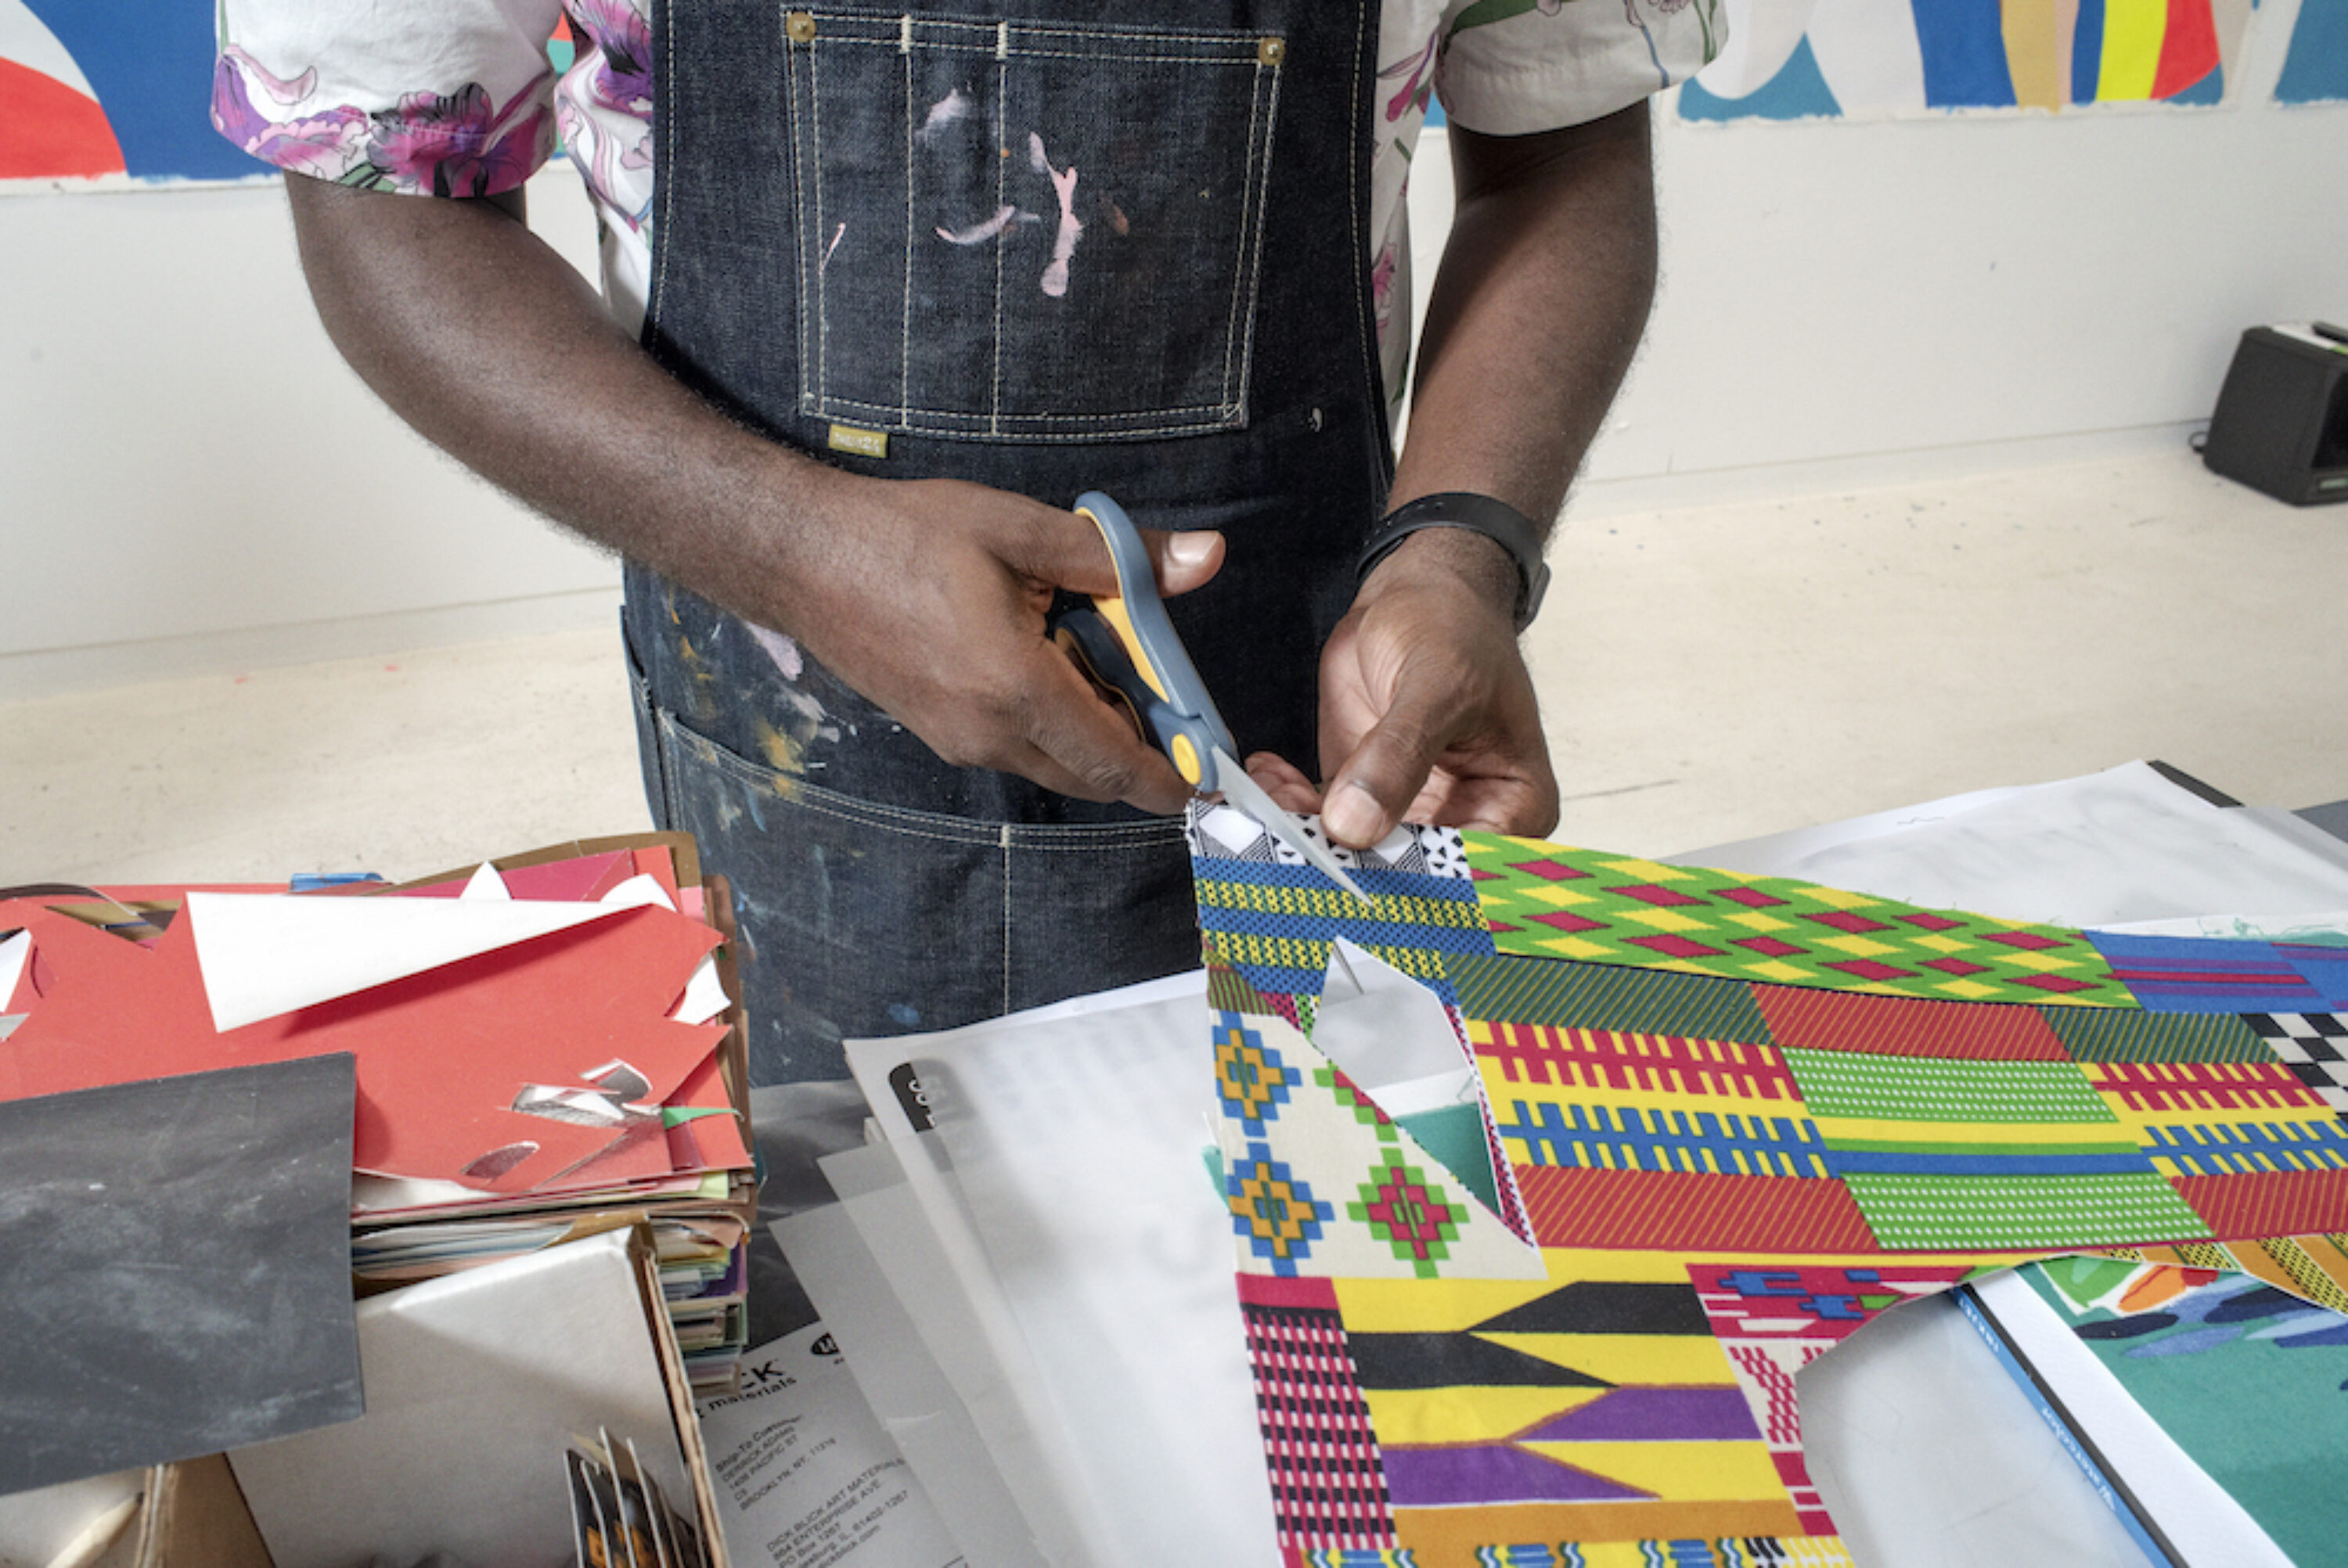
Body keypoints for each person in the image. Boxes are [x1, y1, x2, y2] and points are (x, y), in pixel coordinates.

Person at [214, 1, 1719, 1084]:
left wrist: (1458, 552)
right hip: (788, 740)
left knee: (1309, 1274)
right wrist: (798, 551)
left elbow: (1559, 149)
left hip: (1307, 729)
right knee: (860, 1306)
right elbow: (383, 202)